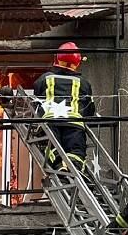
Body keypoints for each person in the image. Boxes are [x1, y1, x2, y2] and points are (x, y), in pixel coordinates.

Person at [32, 41, 96, 172]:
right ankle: (75, 170)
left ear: (57, 58)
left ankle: (59, 165)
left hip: (51, 122)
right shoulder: (84, 83)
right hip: (75, 124)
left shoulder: (44, 79)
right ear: (77, 63)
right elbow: (90, 110)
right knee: (75, 151)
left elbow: (37, 99)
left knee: (50, 144)